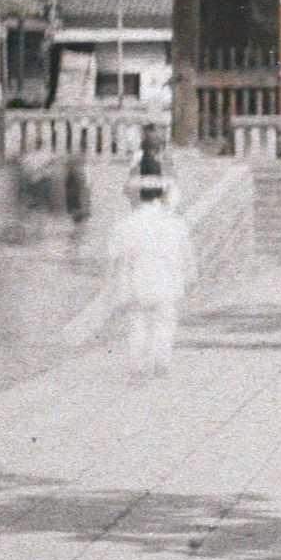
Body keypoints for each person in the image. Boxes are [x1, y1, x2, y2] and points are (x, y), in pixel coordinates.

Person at [110, 126, 194, 375]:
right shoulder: (174, 224)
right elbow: (186, 256)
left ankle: (136, 363)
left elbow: (116, 256)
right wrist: (188, 278)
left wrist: (116, 282)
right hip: (166, 280)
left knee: (137, 323)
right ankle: (161, 361)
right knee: (164, 321)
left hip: (136, 280)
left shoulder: (126, 224)